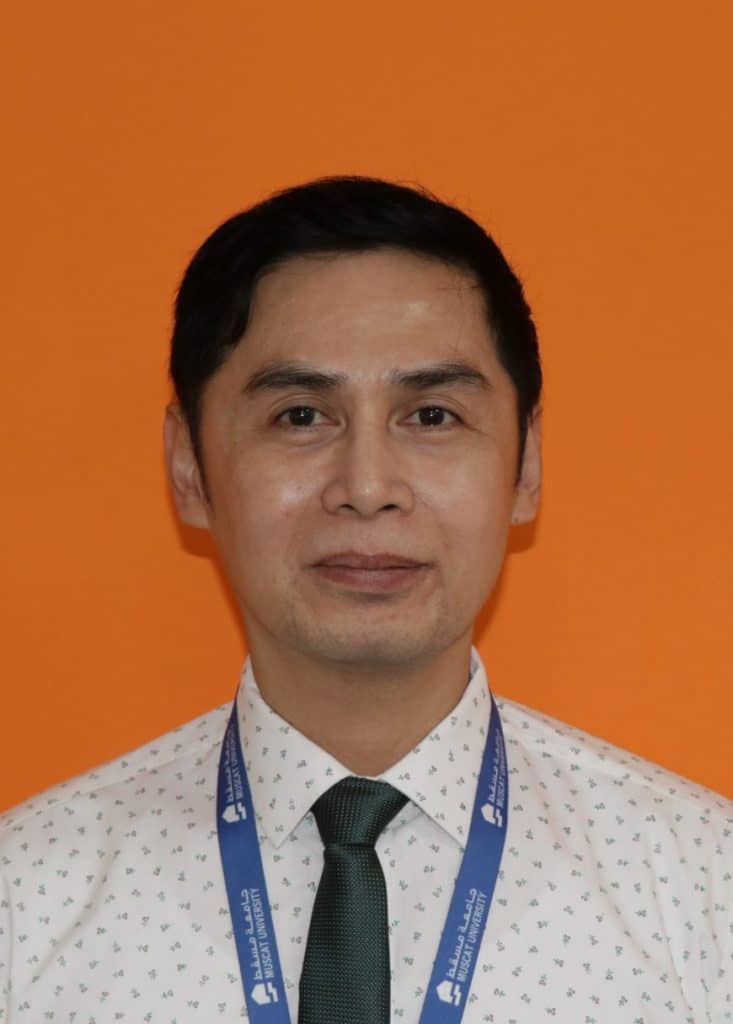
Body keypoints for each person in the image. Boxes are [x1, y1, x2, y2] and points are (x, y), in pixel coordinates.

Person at [1, 176, 730, 1024]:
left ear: (525, 465)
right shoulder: (26, 903)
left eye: (431, 416)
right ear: (189, 468)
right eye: (301, 415)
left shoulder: (703, 890)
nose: (367, 486)